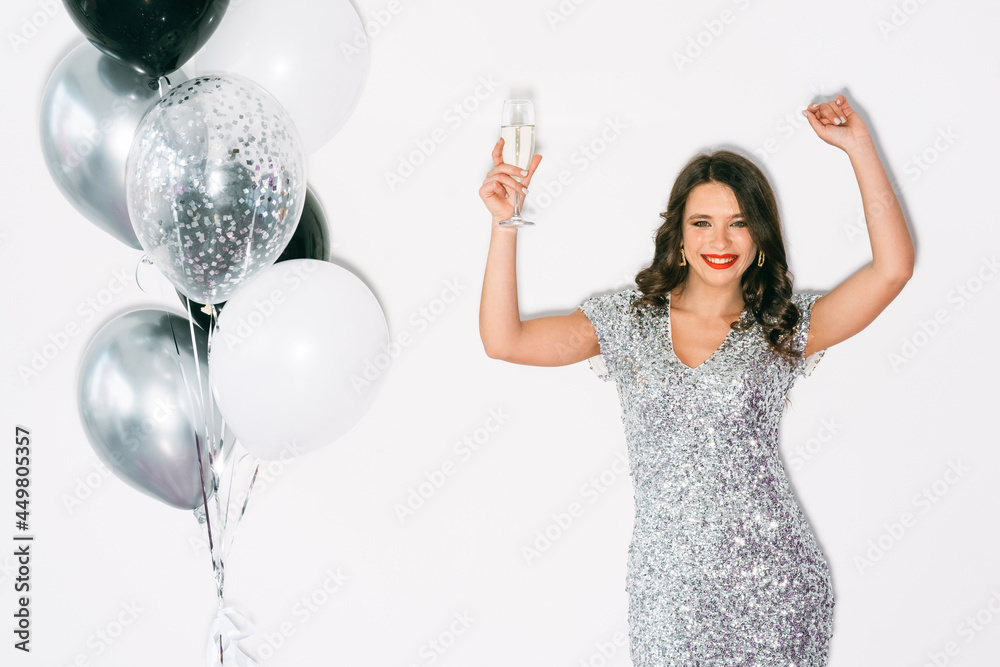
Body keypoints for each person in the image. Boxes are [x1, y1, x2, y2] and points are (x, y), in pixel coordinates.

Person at [478, 94, 914, 665]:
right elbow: (504, 341)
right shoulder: (627, 322)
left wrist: (858, 145)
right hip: (669, 594)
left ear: (760, 239)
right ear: (679, 236)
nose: (720, 241)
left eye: (739, 224)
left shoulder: (781, 327)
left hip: (775, 588)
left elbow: (893, 270)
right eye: (702, 223)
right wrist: (505, 222)